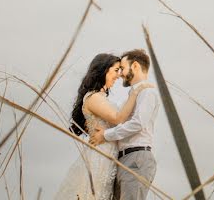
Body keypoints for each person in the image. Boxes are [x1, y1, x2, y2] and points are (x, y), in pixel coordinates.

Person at [53, 53, 154, 200]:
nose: (119, 75)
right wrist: (136, 90)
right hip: (100, 157)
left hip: (110, 158)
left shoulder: (102, 99)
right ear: (103, 70)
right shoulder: (93, 97)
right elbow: (118, 118)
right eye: (116, 70)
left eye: (120, 70)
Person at [89, 49, 160, 200]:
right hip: (123, 160)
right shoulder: (131, 96)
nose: (120, 73)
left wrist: (105, 135)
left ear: (134, 66)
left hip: (136, 158)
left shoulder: (147, 92)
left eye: (122, 68)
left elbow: (138, 123)